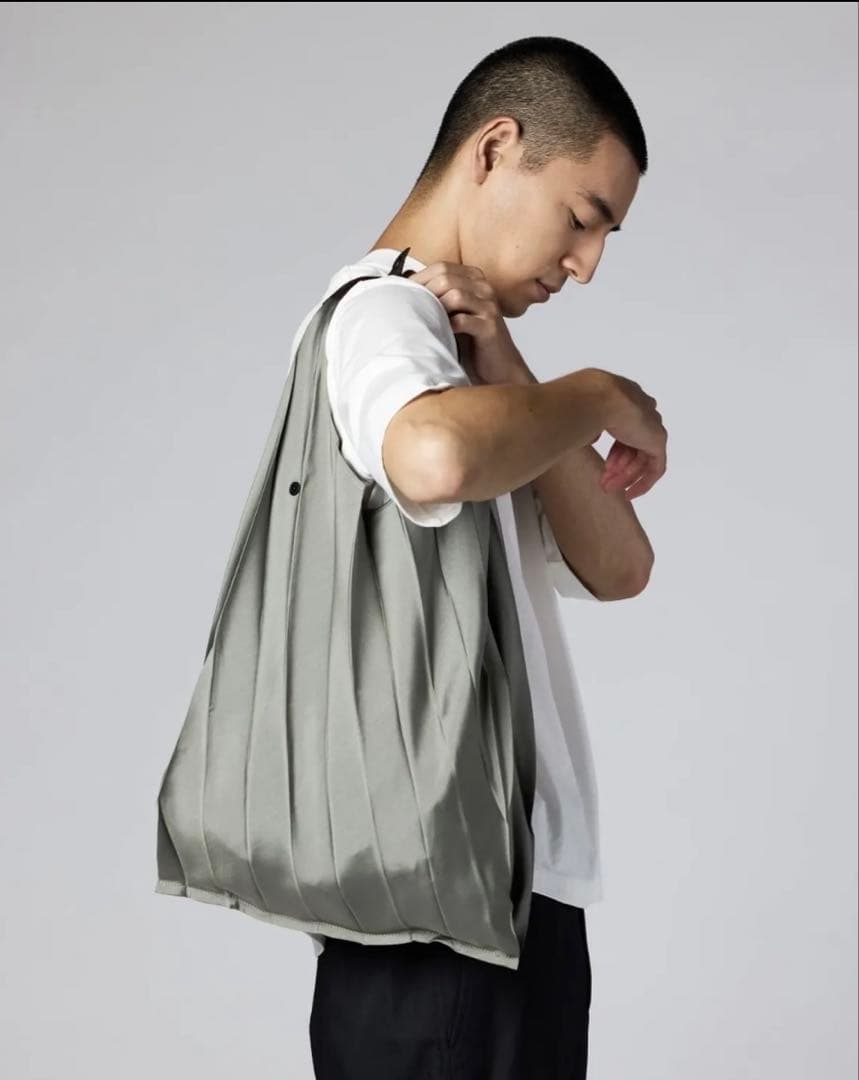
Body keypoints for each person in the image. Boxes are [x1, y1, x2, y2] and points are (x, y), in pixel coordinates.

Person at [301, 34, 666, 1080]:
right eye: (582, 218)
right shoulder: (385, 313)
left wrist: (513, 369)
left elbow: (619, 565)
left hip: (501, 902)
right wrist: (596, 393)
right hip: (443, 915)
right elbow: (432, 458)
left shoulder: (466, 360)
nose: (585, 264)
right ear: (495, 148)